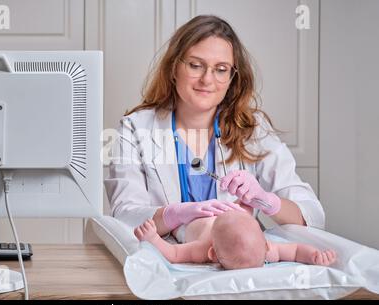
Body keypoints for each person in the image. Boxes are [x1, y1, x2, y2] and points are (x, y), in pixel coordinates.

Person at [105, 15, 325, 237]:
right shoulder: (135, 129)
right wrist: (175, 215)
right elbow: (125, 217)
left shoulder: (253, 129)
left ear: (232, 78)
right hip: (164, 260)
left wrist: (266, 200)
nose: (207, 80)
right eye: (195, 65)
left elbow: (312, 217)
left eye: (220, 69)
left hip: (238, 264)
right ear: (174, 68)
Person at [134, 209, 337, 269]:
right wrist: (154, 238)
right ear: (212, 254)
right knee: (177, 229)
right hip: (191, 223)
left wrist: (314, 256)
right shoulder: (204, 247)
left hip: (229, 212)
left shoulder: (263, 249)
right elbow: (174, 253)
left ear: (265, 244)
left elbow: (294, 251)